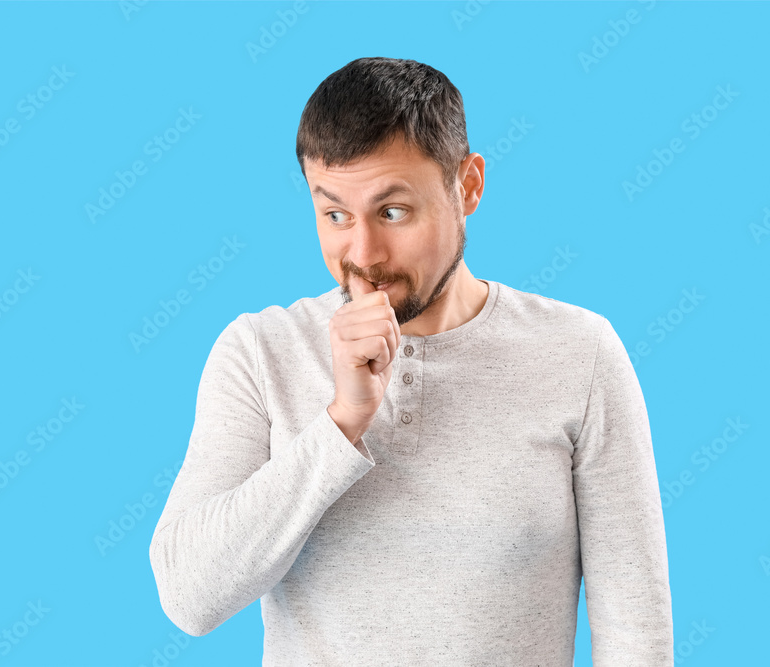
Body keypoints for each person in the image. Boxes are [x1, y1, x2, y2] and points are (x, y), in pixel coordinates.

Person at [149, 56, 673, 665]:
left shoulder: (579, 353)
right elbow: (190, 597)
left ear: (468, 185)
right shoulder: (260, 351)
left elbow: (636, 628)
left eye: (392, 212)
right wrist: (342, 422)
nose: (363, 253)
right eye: (335, 215)